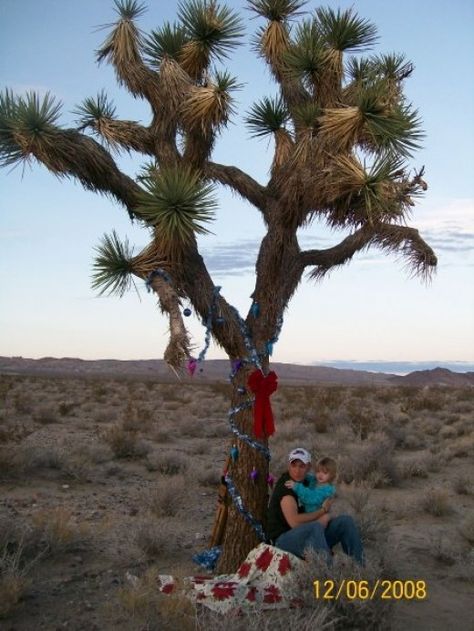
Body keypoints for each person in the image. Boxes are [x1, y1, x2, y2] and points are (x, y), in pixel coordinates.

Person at [267, 447, 364, 564]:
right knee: (315, 526)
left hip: (308, 535)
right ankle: (327, 575)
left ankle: (361, 569)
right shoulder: (287, 486)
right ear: (289, 466)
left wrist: (328, 513)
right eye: (294, 465)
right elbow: (294, 522)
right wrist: (322, 512)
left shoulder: (308, 481)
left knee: (345, 521)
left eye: (301, 466)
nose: (297, 470)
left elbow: (328, 496)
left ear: (308, 467)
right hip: (284, 540)